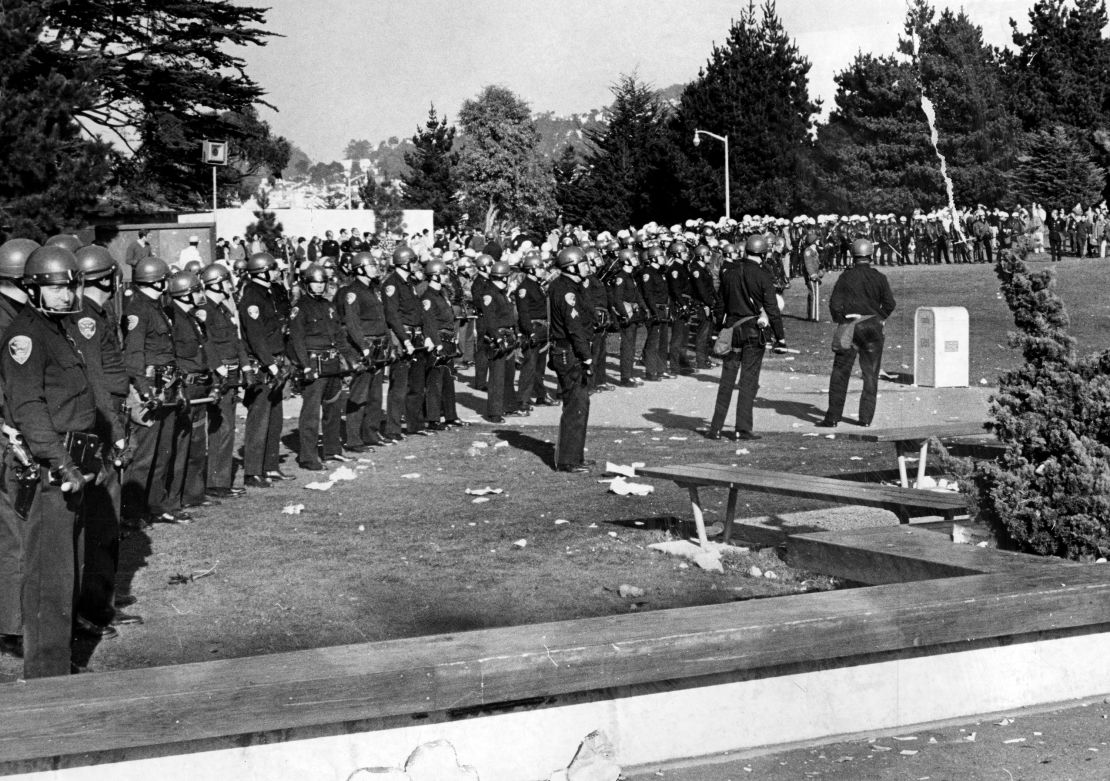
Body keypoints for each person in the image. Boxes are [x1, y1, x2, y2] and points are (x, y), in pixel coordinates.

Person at [1, 245, 98, 677]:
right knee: (48, 576)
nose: (67, 296)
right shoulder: (26, 337)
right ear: (33, 289)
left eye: (70, 286)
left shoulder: (57, 329)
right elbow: (29, 409)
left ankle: (57, 661)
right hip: (51, 469)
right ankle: (46, 674)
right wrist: (61, 463)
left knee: (66, 567)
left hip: (73, 460)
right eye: (57, 289)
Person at [706, 234, 786, 441]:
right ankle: (742, 428)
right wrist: (781, 338)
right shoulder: (762, 274)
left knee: (726, 381)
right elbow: (772, 309)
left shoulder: (729, 272)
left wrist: (720, 328)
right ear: (763, 253)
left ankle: (715, 427)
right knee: (748, 381)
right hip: (752, 331)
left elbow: (720, 304)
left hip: (732, 329)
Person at [816, 238, 897, 429]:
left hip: (850, 326)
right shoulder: (879, 277)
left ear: (853, 255)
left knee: (840, 372)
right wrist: (879, 318)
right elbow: (890, 304)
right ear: (870, 255)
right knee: (870, 374)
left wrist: (842, 318)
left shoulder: (846, 277)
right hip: (873, 326)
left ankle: (833, 417)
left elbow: (834, 304)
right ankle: (865, 419)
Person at [288, 264, 359, 470]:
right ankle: (308, 457)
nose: (319, 286)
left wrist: (350, 358)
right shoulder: (300, 308)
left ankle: (332, 450)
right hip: (314, 364)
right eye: (315, 282)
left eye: (322, 282)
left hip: (332, 365)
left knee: (333, 410)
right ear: (306, 284)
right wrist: (305, 366)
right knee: (311, 414)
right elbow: (297, 340)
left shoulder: (328, 306)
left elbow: (338, 335)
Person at [238, 252, 291, 487]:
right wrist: (270, 363)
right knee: (259, 420)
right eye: (273, 268)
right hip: (264, 364)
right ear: (262, 271)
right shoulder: (252, 295)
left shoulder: (270, 292)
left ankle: (270, 466)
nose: (278, 272)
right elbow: (256, 334)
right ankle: (252, 471)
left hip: (275, 361)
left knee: (275, 419)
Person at [197, 263, 248, 498]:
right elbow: (205, 343)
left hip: (230, 372)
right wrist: (219, 369)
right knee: (222, 427)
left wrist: (243, 365)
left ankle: (220, 480)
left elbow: (235, 341)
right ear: (216, 283)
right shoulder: (205, 310)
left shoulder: (222, 309)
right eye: (226, 281)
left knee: (227, 427)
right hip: (219, 374)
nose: (229, 285)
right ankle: (216, 482)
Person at [548, 247, 594, 472]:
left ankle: (574, 455)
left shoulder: (568, 287)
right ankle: (567, 460)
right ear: (571, 266)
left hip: (567, 351)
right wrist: (586, 356)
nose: (588, 267)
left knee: (580, 404)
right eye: (583, 263)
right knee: (575, 404)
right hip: (569, 352)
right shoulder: (567, 291)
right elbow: (574, 327)